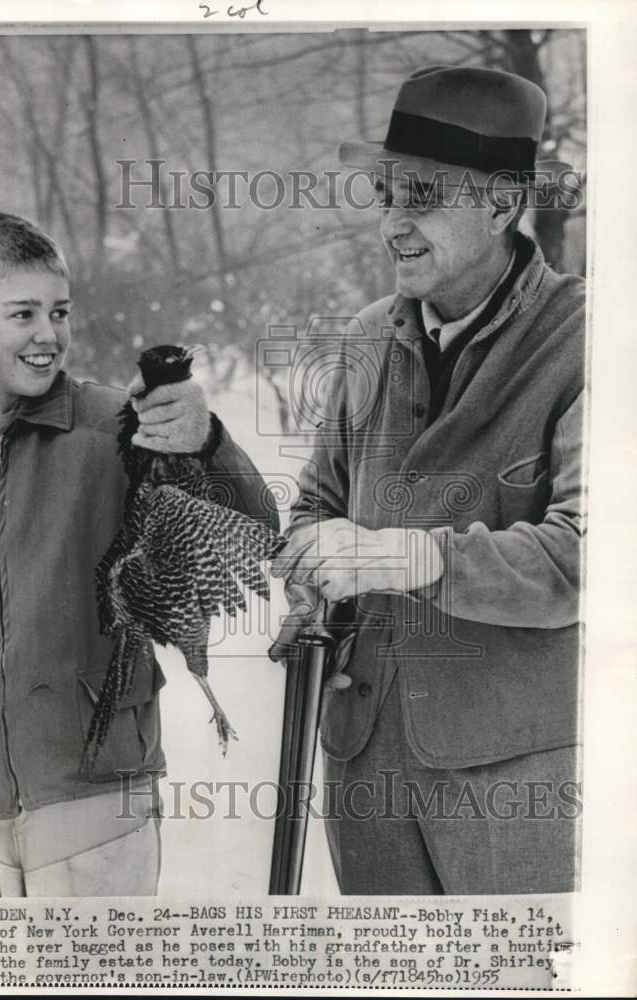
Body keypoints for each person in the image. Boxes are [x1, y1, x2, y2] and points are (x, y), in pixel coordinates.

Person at [0, 212, 277, 897]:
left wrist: (206, 440)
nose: (48, 335)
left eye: (59, 312)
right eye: (23, 313)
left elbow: (254, 524)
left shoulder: (114, 428)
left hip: (90, 791)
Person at [271, 66, 584, 894]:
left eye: (422, 195)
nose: (393, 222)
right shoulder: (368, 337)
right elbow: (316, 504)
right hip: (363, 758)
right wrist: (312, 576)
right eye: (385, 193)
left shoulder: (591, 340)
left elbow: (584, 559)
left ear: (503, 203)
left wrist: (403, 558)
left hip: (514, 778)